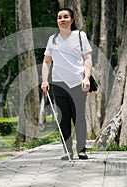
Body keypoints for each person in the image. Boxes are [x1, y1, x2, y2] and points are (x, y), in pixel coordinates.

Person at [41, 8, 92, 160]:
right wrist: (44, 80)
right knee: (63, 117)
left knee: (79, 117)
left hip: (78, 82)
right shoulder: (53, 39)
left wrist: (87, 77)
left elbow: (87, 58)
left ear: (72, 20)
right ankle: (67, 150)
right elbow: (46, 61)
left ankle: (81, 149)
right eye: (59, 17)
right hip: (58, 83)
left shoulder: (80, 36)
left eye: (65, 17)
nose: (62, 20)